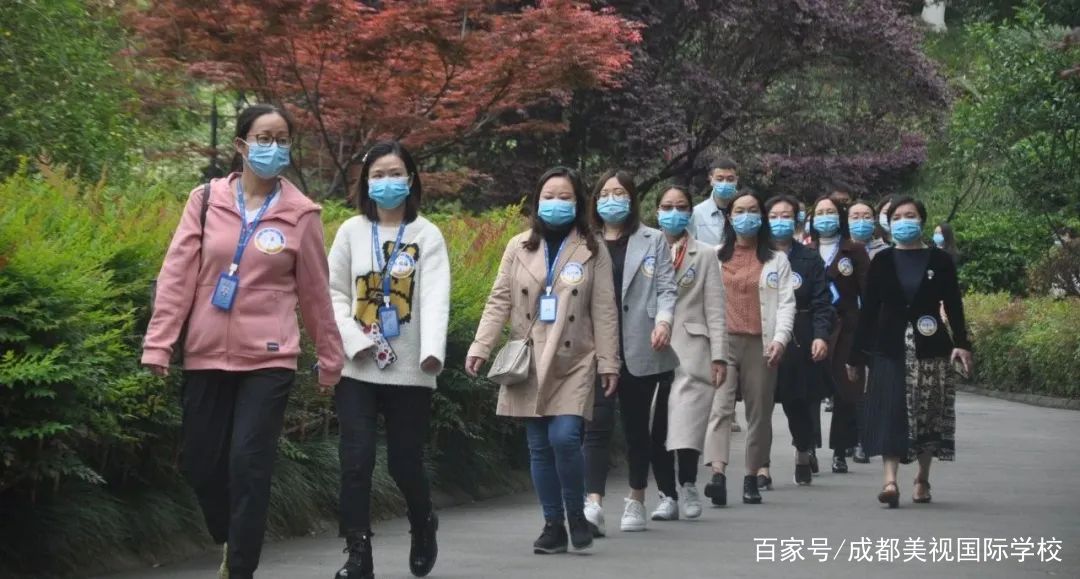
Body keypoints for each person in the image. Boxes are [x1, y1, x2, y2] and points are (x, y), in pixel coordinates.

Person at [141, 104, 345, 579]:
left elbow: (316, 293)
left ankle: (241, 569)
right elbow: (176, 276)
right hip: (205, 353)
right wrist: (159, 342)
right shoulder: (205, 201)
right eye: (263, 138)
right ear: (241, 145)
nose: (274, 147)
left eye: (282, 139)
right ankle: (231, 535)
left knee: (249, 464)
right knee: (201, 463)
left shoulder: (301, 214)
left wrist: (330, 359)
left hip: (269, 359)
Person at [466, 167, 620, 554]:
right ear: (537, 202)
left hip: (575, 357)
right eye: (549, 197)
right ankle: (553, 526)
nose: (556, 204)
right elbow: (499, 299)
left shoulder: (593, 248)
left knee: (564, 437)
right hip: (529, 356)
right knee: (538, 445)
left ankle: (576, 514)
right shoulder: (518, 246)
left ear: (578, 203)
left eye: (565, 197)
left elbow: (604, 309)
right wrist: (481, 346)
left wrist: (609, 362)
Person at [327, 141, 450, 579]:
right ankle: (358, 553)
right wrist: (352, 339)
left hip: (412, 368)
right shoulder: (350, 231)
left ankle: (423, 521)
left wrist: (432, 351)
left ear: (411, 179)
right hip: (357, 366)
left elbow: (435, 297)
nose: (387, 182)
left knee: (404, 461)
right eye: (377, 175)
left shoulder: (427, 234)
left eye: (395, 173)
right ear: (365, 183)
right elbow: (333, 292)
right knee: (356, 460)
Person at [846, 196, 973, 508]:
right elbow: (869, 310)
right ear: (889, 224)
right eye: (897, 217)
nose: (904, 221)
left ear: (922, 220)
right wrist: (855, 355)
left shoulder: (940, 261)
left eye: (910, 215)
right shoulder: (882, 261)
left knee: (927, 413)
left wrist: (962, 343)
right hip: (889, 347)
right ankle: (889, 481)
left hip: (931, 347)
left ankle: (922, 478)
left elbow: (953, 305)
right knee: (890, 410)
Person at [581, 170, 678, 534]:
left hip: (641, 343)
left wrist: (664, 322)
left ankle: (636, 498)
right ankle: (593, 502)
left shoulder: (653, 239)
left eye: (619, 193)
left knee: (637, 427)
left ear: (632, 199)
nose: (612, 199)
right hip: (596, 347)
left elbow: (667, 288)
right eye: (605, 193)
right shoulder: (584, 240)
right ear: (595, 200)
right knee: (596, 425)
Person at [702, 191, 795, 506]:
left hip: (761, 344)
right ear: (729, 218)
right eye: (739, 211)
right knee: (720, 408)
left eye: (753, 210)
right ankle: (717, 474)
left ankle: (751, 476)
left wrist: (780, 339)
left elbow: (786, 303)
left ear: (762, 217)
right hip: (723, 342)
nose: (746, 216)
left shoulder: (776, 260)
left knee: (759, 413)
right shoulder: (714, 257)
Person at [649, 185, 728, 522]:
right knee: (656, 426)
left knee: (687, 422)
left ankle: (688, 483)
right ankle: (667, 495)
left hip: (692, 350)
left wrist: (719, 355)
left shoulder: (705, 254)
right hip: (651, 348)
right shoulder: (646, 248)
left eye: (681, 206)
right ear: (656, 211)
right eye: (667, 206)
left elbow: (716, 308)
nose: (674, 212)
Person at [763, 195, 833, 486]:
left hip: (799, 338)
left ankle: (803, 452)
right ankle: (761, 466)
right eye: (773, 216)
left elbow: (822, 302)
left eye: (786, 216)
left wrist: (820, 336)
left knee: (798, 403)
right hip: (763, 334)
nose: (780, 221)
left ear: (796, 221)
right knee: (761, 405)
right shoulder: (757, 254)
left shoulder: (809, 258)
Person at [807, 195, 870, 475]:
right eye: (820, 212)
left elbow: (868, 292)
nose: (825, 217)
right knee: (809, 390)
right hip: (813, 328)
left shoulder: (854, 250)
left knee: (846, 390)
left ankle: (840, 450)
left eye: (830, 212)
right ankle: (808, 446)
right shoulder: (805, 250)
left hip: (847, 328)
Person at [689, 157, 739, 247]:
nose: (725, 183)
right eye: (720, 179)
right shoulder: (697, 213)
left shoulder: (748, 210)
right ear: (711, 180)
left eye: (730, 179)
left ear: (736, 180)